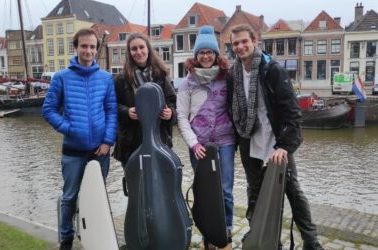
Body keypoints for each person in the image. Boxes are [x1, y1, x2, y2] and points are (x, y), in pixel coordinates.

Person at [227, 24, 324, 250]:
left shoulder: (272, 70)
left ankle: (312, 242)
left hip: (276, 141)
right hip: (249, 139)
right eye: (235, 43)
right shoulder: (233, 74)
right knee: (254, 191)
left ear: (255, 42)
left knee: (292, 191)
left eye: (244, 41)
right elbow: (232, 111)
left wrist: (284, 147)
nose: (240, 46)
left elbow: (292, 112)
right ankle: (262, 237)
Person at [42, 28, 118, 250]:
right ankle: (66, 239)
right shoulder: (62, 78)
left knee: (96, 197)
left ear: (97, 49)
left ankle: (93, 237)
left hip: (100, 151)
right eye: (84, 46)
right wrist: (69, 128)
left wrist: (107, 141)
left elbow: (112, 110)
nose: (88, 50)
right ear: (76, 48)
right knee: (69, 197)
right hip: (73, 152)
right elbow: (48, 110)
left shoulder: (105, 78)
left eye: (92, 46)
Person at [177, 25, 235, 250]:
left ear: (216, 54)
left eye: (210, 52)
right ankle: (208, 234)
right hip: (200, 145)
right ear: (196, 56)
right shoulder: (188, 83)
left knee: (225, 189)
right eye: (202, 52)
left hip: (225, 141)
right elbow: (182, 116)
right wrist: (193, 143)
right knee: (204, 191)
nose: (206, 56)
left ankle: (226, 232)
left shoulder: (226, 78)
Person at [113, 32, 177, 166]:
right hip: (131, 142)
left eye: (141, 47)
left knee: (160, 182)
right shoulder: (121, 79)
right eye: (134, 49)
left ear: (148, 49)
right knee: (136, 183)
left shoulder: (161, 75)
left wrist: (170, 113)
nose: (138, 52)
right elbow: (112, 106)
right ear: (129, 53)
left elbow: (173, 102)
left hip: (159, 139)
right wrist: (127, 112)